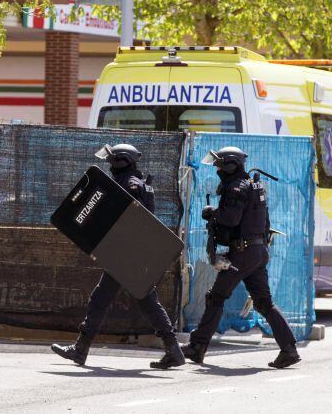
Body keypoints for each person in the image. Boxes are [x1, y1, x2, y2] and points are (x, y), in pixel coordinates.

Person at [51, 144, 185, 369]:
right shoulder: (138, 184)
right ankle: (173, 350)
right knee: (144, 301)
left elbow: (132, 220)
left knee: (105, 299)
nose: (110, 166)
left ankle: (81, 349)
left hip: (126, 253)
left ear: (121, 161)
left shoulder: (130, 185)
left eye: (112, 161)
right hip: (130, 252)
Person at [181, 146, 301, 369]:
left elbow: (231, 218)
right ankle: (289, 349)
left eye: (219, 165)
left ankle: (197, 347)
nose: (217, 169)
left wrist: (212, 212)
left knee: (216, 297)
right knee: (264, 303)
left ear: (230, 165)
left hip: (243, 253)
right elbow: (264, 222)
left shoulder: (236, 188)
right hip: (257, 251)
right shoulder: (255, 186)